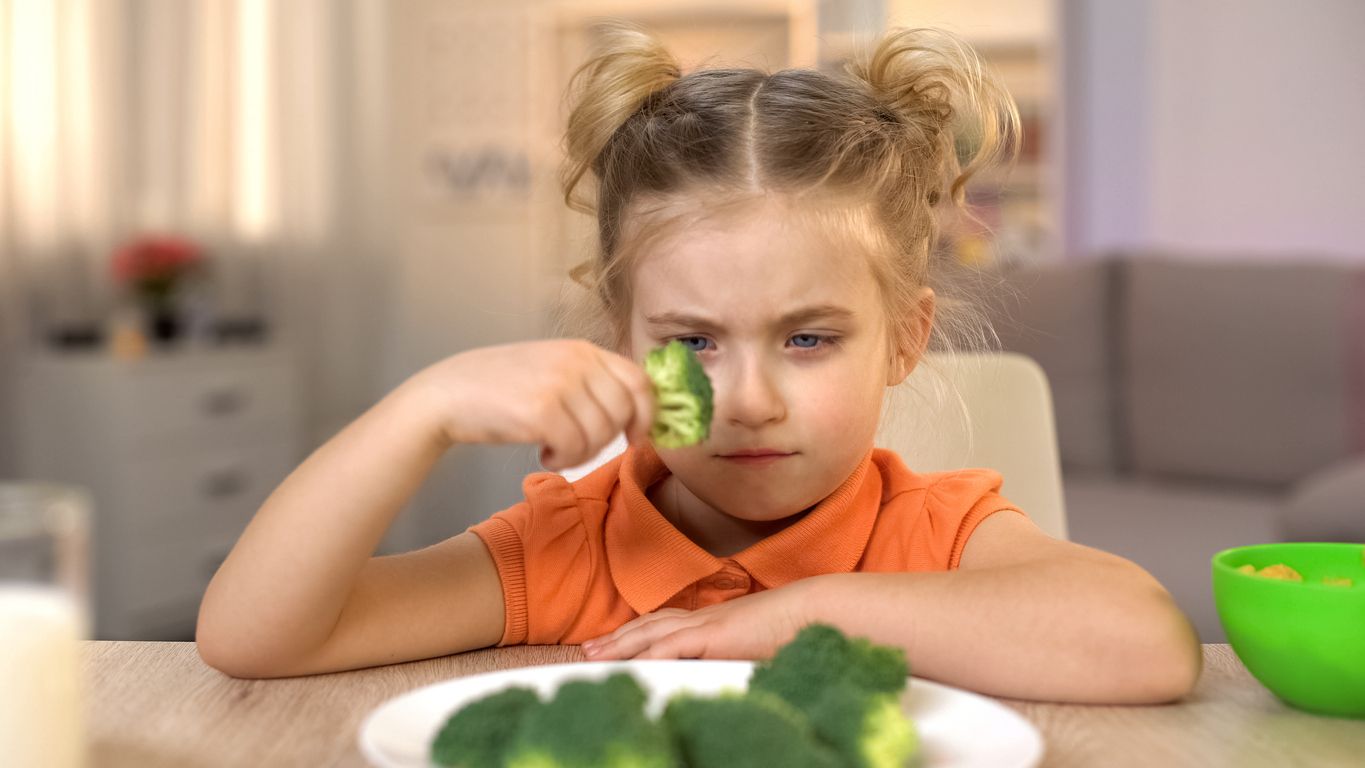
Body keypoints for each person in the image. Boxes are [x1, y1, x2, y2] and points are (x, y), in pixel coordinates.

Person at [197, 23, 1201, 703]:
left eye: (808, 339)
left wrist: (803, 614)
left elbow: (1149, 640)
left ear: (904, 339)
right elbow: (252, 637)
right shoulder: (574, 548)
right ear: (620, 342)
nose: (749, 402)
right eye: (691, 344)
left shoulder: (928, 534)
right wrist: (417, 412)